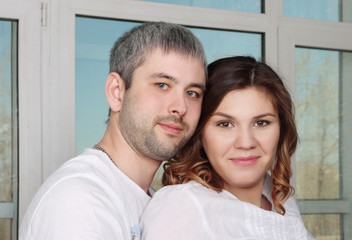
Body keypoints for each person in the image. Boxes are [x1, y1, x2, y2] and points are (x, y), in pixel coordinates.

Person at [19, 21, 207, 240]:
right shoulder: (79, 201)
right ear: (117, 92)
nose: (181, 107)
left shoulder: (152, 202)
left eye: (192, 93)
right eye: (162, 85)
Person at [140, 56, 314, 239]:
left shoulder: (281, 200)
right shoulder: (182, 207)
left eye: (261, 122)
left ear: (282, 129)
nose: (246, 143)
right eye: (225, 124)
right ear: (199, 133)